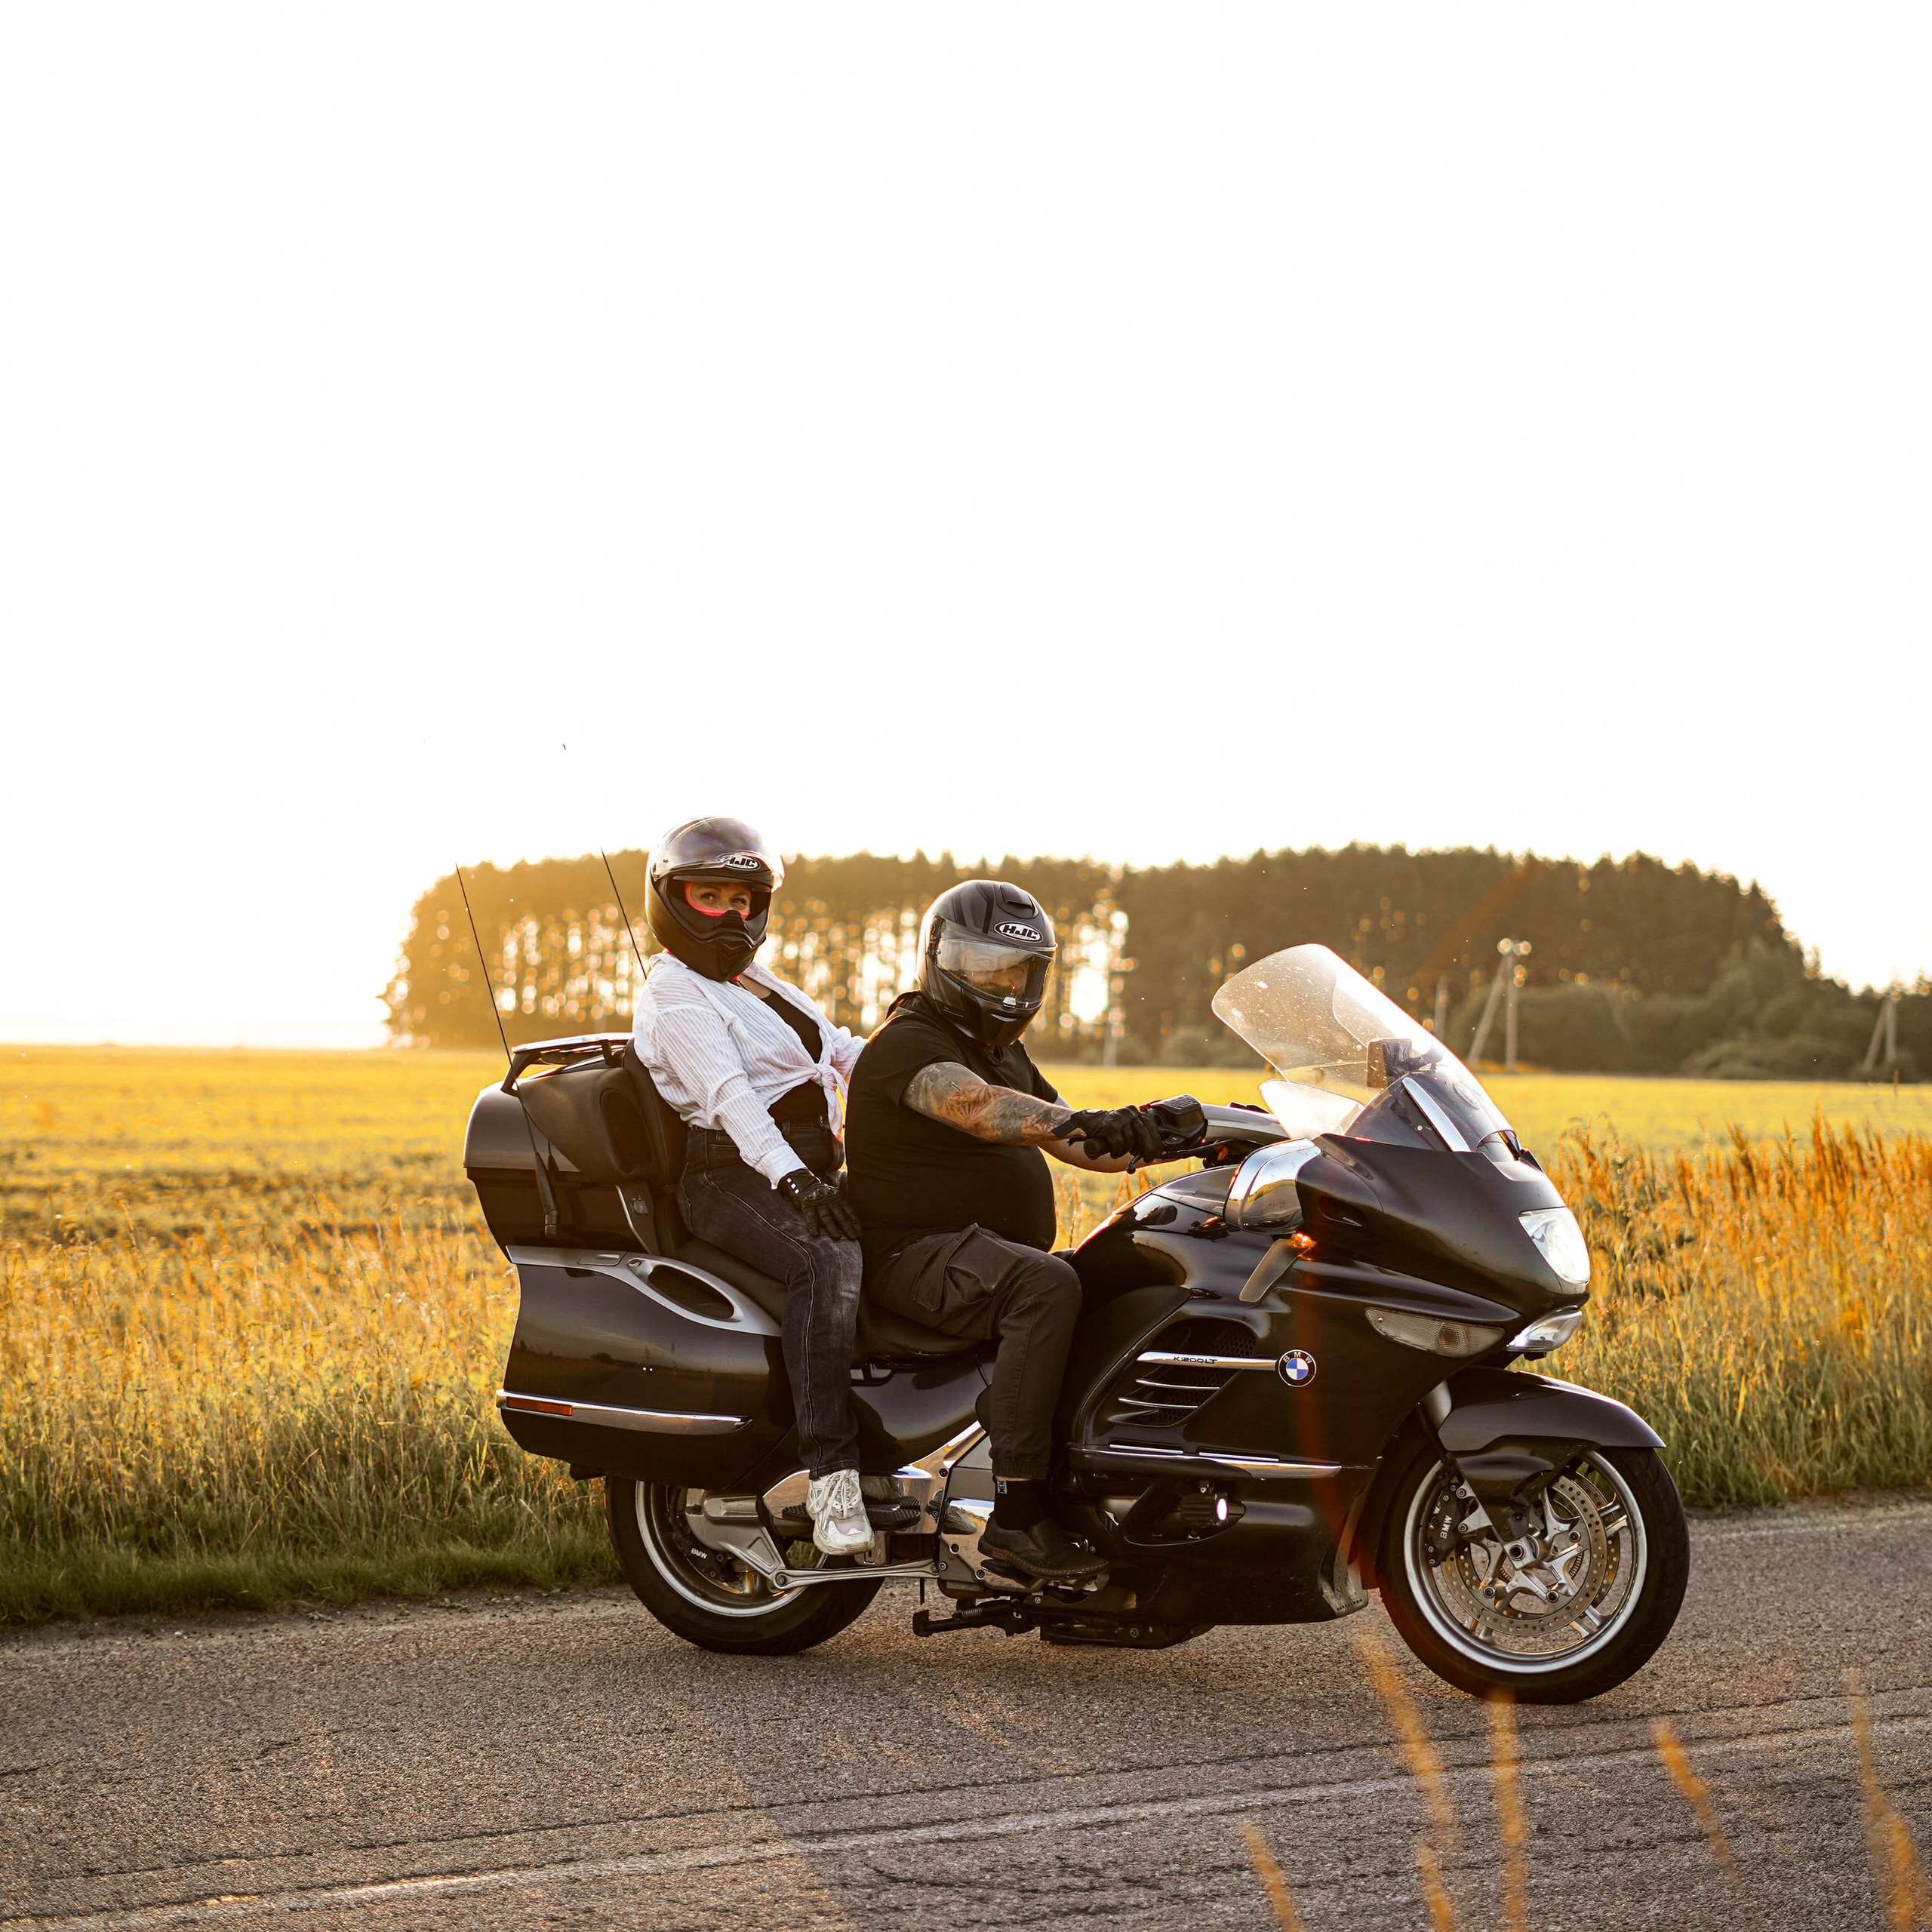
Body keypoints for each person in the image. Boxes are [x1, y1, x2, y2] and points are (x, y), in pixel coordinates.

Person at [844, 879, 1176, 1583]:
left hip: (972, 1257)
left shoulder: (1001, 1052)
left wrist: (1179, 1135)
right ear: (940, 959)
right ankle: (1018, 1516)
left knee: (1126, 1264)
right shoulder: (909, 1042)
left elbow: (1083, 1144)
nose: (1002, 983)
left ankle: (1092, 1478)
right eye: (983, 964)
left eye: (1018, 969)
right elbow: (979, 1109)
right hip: (910, 1258)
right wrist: (1078, 1122)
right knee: (1045, 1285)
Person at [631, 815, 887, 1557]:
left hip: (802, 1166)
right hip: (730, 1175)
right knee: (824, 1259)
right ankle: (833, 1480)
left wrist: (919, 1064)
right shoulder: (675, 992)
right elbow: (731, 1097)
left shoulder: (756, 982)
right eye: (708, 895)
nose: (730, 913)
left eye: (742, 898)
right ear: (672, 899)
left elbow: (837, 1049)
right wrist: (798, 1183)